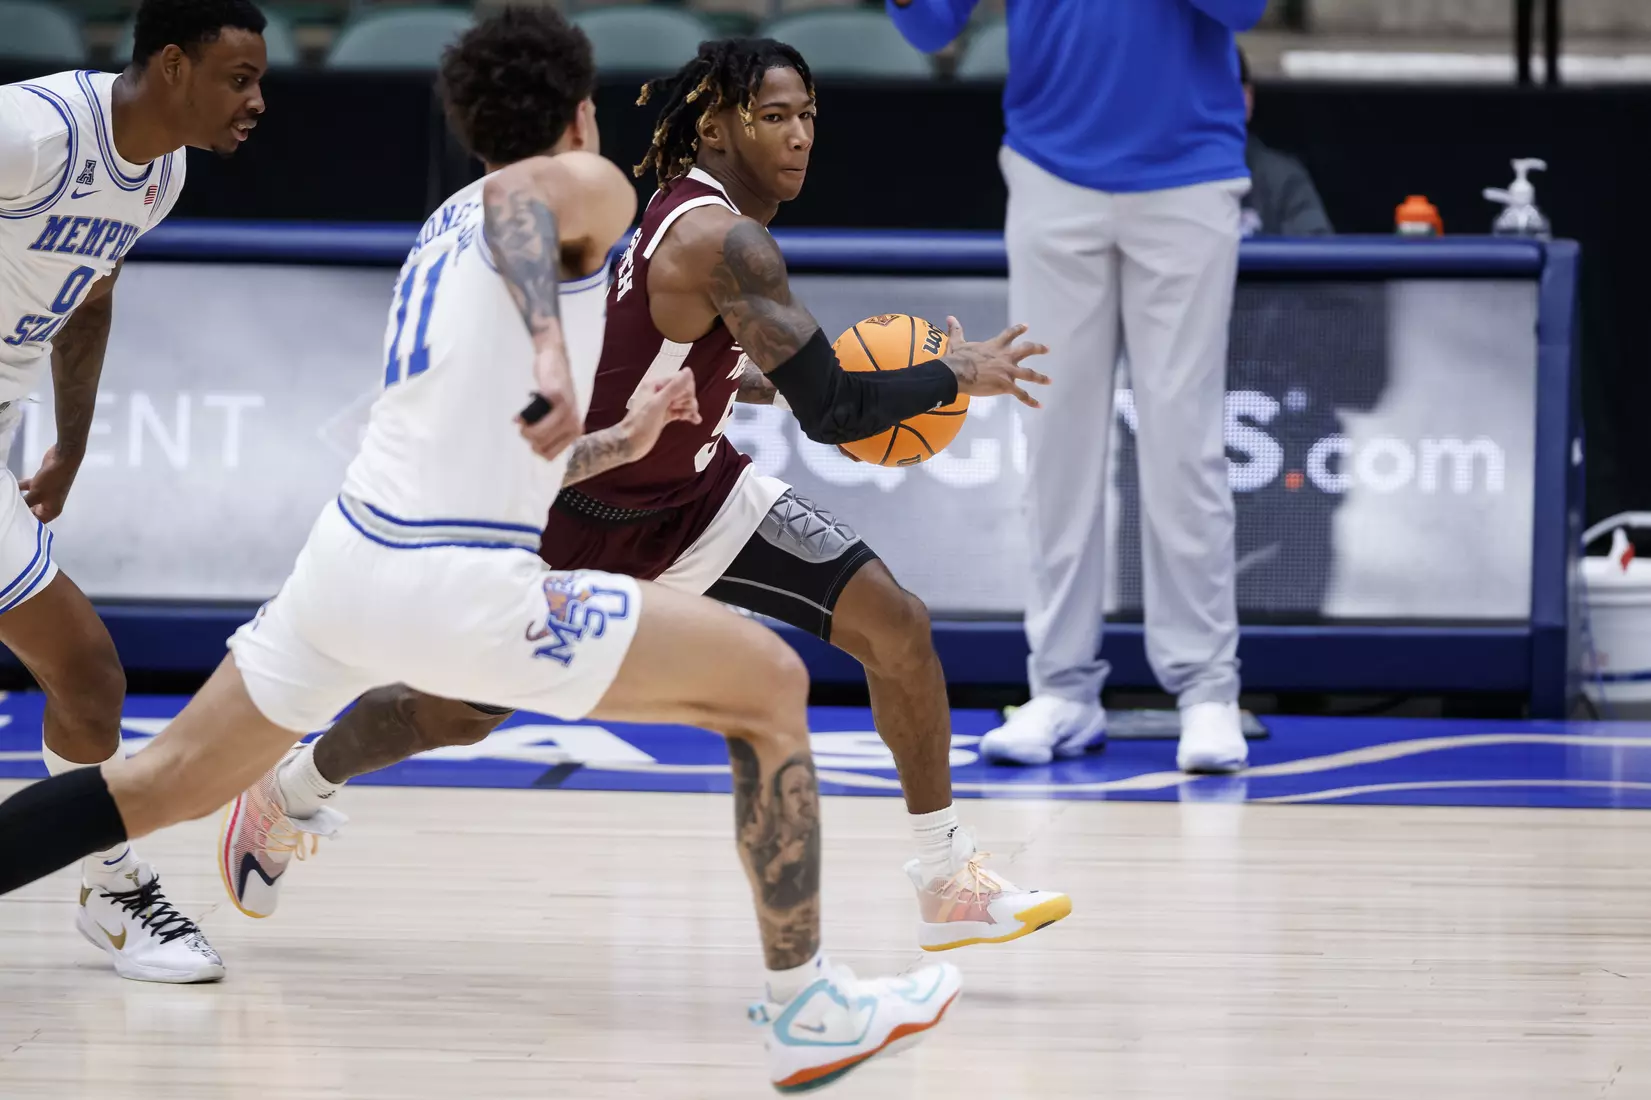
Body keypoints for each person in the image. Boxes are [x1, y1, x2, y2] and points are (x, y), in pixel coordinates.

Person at [0, 10, 962, 1090]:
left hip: (342, 565)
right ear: (580, 114)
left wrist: (621, 436)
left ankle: (263, 801)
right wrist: (553, 353)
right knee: (768, 684)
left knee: (160, 780)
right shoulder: (585, 188)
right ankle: (807, 1008)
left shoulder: (441, 221)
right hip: (456, 576)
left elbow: (509, 376)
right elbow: (525, 209)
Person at [228, 37, 1069, 955]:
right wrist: (953, 374)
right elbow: (833, 411)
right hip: (576, 513)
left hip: (697, 497)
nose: (798, 137)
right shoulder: (720, 239)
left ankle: (946, 877)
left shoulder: (703, 215)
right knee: (453, 714)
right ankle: (290, 790)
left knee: (896, 625)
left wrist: (890, 379)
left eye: (807, 116)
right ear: (714, 129)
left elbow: (727, 366)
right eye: (773, 117)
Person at [889, 0, 1263, 773]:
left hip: (1187, 173)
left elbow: (1246, 8)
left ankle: (1205, 690)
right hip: (1050, 169)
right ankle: (1060, 686)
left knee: (1183, 442)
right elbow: (929, 26)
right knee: (1052, 435)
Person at [0, 0, 267, 982]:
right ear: (173, 64)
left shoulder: (161, 173)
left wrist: (69, 444)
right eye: (239, 78)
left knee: (86, 680)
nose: (257, 101)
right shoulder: (31, 133)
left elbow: (89, 299)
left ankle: (105, 888)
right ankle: (112, 885)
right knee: (89, 673)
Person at [1238, 47, 1332, 237]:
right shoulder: (1173, 177)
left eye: (1220, 92)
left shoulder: (1282, 178)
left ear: (1247, 98)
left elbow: (1316, 247)